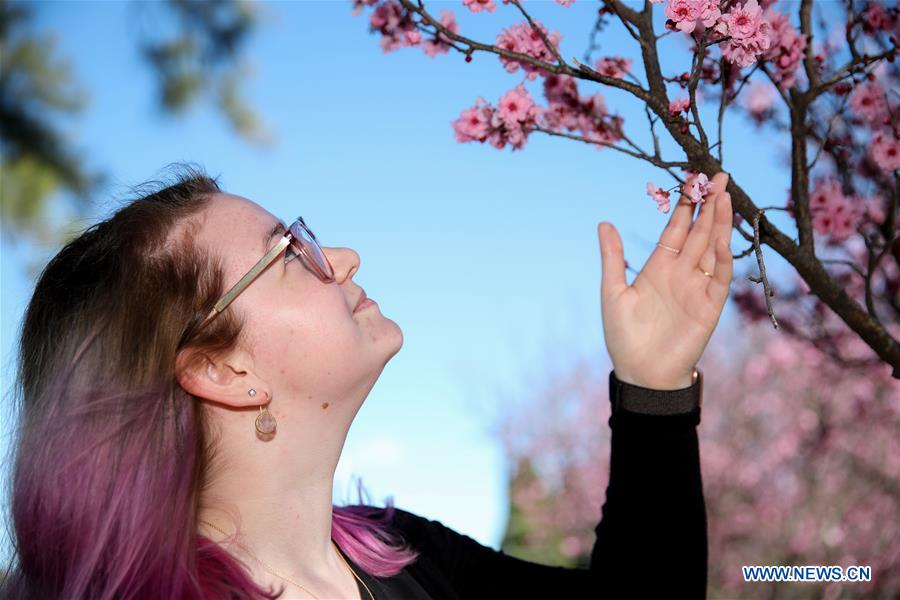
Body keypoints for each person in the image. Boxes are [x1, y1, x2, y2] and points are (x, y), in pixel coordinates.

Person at [1, 164, 733, 599]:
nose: (343, 256)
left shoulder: (408, 555)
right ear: (221, 369)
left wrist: (655, 388)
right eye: (290, 253)